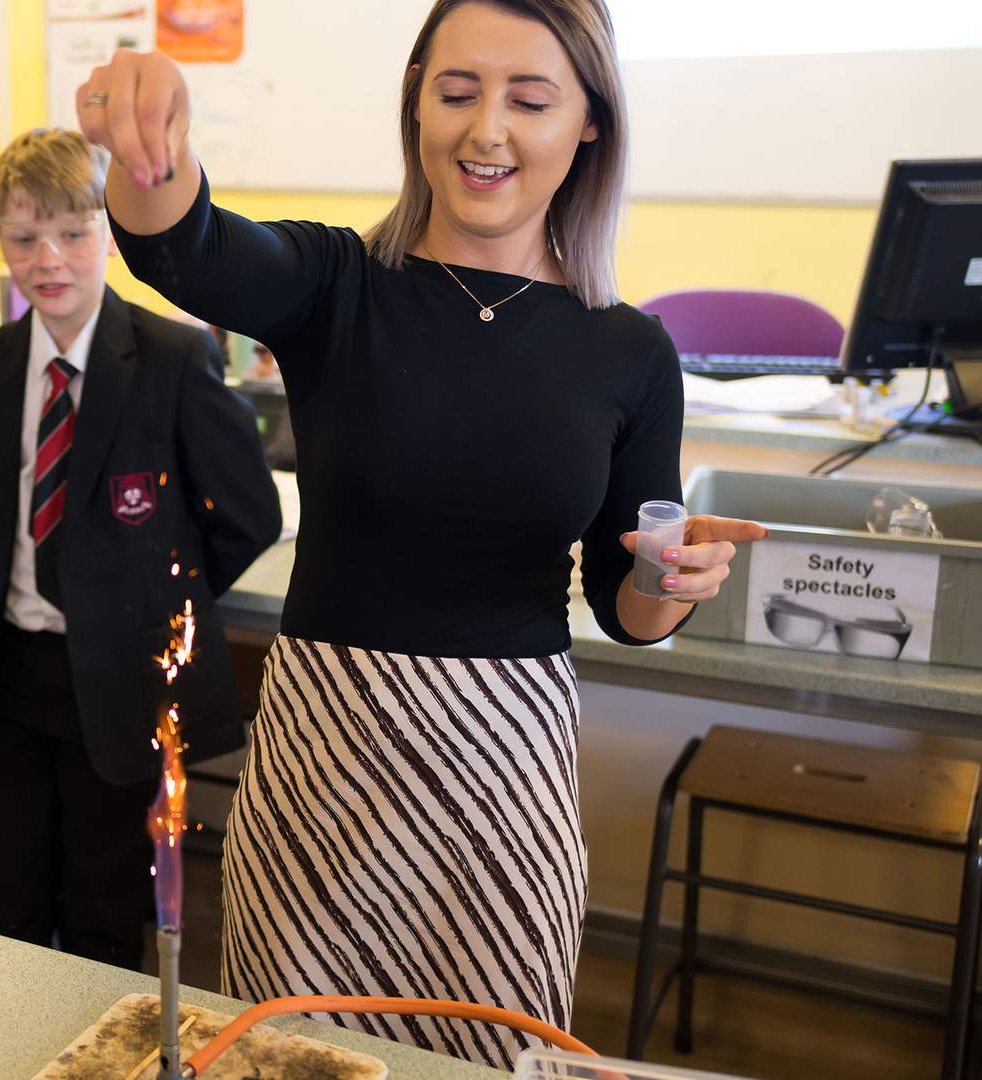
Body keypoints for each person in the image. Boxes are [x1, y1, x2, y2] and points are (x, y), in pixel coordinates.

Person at [76, 0, 767, 1066]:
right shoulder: (337, 283)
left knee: (488, 1052)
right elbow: (190, 249)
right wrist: (150, 149)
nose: (487, 130)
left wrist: (670, 581)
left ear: (588, 124)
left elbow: (629, 610)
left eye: (529, 100)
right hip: (325, 764)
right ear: (416, 107)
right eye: (457, 92)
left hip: (506, 772)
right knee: (292, 1055)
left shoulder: (629, 350)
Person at [0, 129, 279, 969]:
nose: (48, 258)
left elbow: (247, 515)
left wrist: (152, 602)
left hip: (119, 686)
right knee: (6, 902)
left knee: (104, 906)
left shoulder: (171, 356)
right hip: (7, 677)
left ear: (109, 235)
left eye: (73, 234)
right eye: (23, 238)